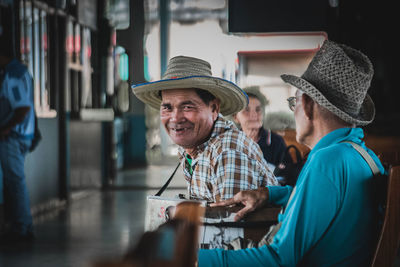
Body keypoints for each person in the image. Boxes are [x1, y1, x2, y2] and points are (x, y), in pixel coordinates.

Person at [198, 39, 386, 266]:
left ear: (306, 104)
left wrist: (191, 258)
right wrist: (270, 194)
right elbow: (327, 200)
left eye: (293, 102)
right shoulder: (362, 156)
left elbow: (278, 259)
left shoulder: (327, 161)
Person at [132, 56, 278, 202]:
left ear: (214, 108)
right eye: (167, 108)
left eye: (187, 107)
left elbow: (229, 222)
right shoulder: (191, 149)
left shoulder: (228, 152)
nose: (175, 118)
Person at [0, 44, 35, 242]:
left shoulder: (12, 75)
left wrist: (5, 129)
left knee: (15, 182)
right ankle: (21, 225)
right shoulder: (21, 71)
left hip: (13, 136)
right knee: (14, 182)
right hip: (22, 135)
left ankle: (22, 227)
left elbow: (22, 108)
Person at [232, 86, 292, 168]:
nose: (254, 115)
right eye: (247, 110)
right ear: (235, 117)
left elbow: (288, 175)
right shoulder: (231, 142)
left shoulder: (276, 142)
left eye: (258, 109)